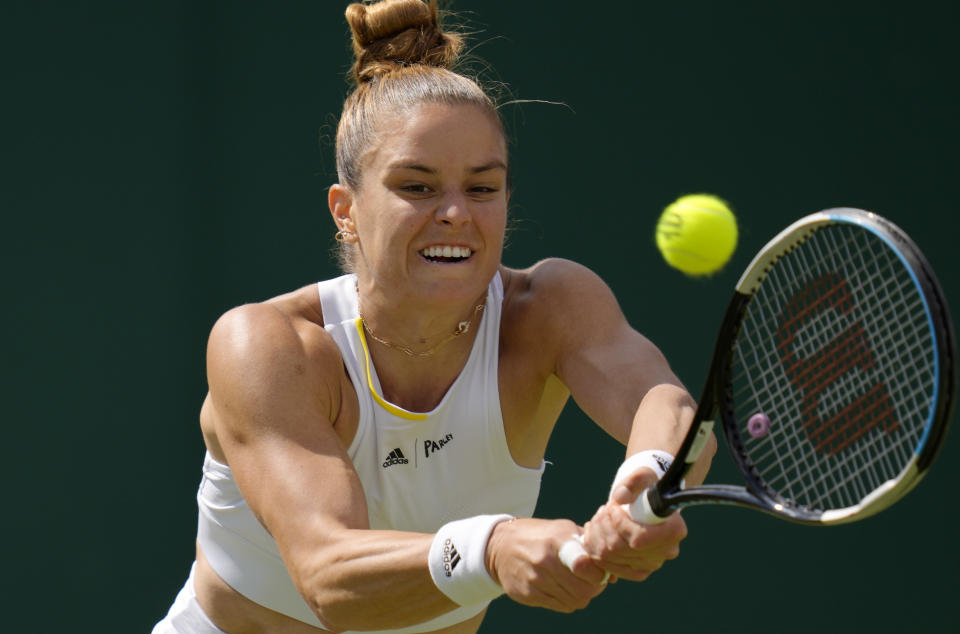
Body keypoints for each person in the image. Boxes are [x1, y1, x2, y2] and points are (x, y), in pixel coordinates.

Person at [153, 1, 715, 632]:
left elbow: (665, 405)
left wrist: (650, 478)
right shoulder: (268, 345)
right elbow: (329, 576)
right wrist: (493, 548)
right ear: (345, 210)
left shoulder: (551, 308)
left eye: (482, 187)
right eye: (417, 186)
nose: (456, 213)